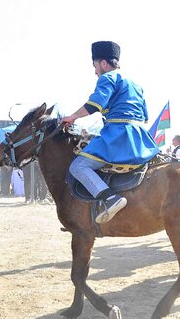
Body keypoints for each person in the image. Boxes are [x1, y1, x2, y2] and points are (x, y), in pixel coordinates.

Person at [61, 41, 160, 224]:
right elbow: (145, 117)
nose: (95, 71)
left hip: (118, 137)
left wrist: (73, 117)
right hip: (140, 138)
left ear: (104, 63)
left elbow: (96, 103)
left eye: (95, 66)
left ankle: (110, 198)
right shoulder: (136, 85)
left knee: (78, 167)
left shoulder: (107, 78)